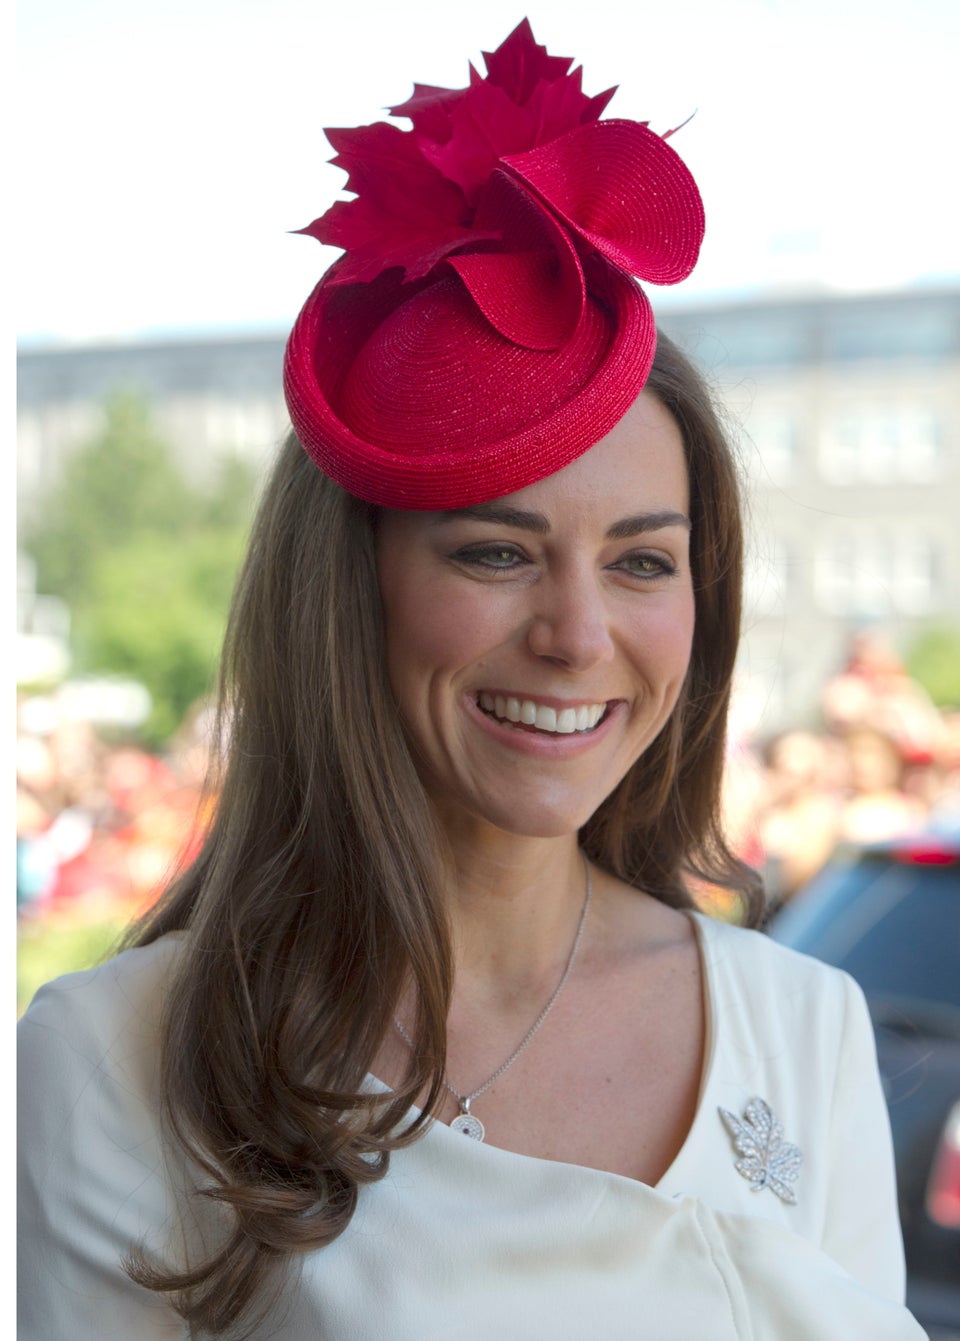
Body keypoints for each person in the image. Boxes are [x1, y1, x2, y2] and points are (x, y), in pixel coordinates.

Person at [18, 21, 927, 1340]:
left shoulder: (807, 1023)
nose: (576, 631)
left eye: (641, 561)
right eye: (498, 549)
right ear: (350, 587)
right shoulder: (116, 1059)